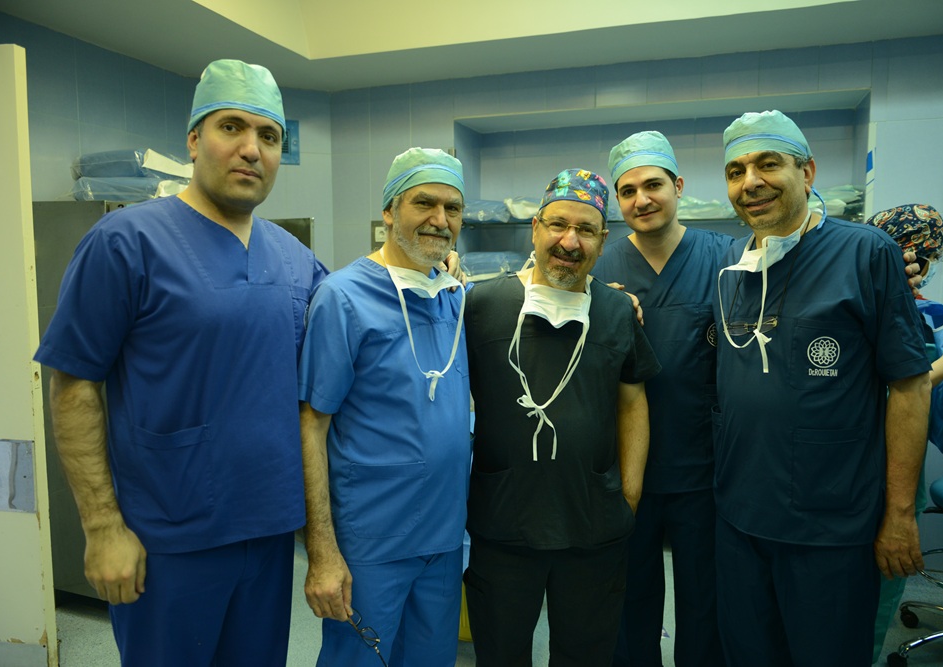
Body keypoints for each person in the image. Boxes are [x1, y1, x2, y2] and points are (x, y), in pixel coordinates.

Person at [34, 59, 327, 666]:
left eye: (269, 136)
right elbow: (73, 384)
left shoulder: (296, 258)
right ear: (194, 140)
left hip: (269, 532)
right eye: (231, 127)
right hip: (166, 537)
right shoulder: (125, 242)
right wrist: (102, 527)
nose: (251, 149)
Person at [712, 110, 932, 667]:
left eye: (768, 164)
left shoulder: (866, 253)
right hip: (740, 516)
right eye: (736, 171)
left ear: (807, 172)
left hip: (830, 523)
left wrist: (899, 514)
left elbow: (910, 386)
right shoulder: (732, 266)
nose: (750, 182)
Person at [463, 168, 660, 666]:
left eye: (585, 230)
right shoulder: (483, 305)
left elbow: (633, 401)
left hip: (593, 524)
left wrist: (629, 494)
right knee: (501, 655)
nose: (569, 242)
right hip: (503, 523)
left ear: (602, 240)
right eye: (557, 225)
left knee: (586, 655)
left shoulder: (616, 311)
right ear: (535, 228)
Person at [298, 147, 471, 667]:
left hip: (444, 540)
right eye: (424, 203)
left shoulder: (453, 296)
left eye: (452, 208)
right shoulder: (343, 298)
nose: (440, 219)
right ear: (389, 212)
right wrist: (322, 551)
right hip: (371, 542)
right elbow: (311, 427)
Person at [592, 131, 729, 667]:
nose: (641, 199)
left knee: (706, 598)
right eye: (627, 191)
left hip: (704, 466)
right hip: (628, 468)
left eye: (653, 185)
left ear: (678, 186)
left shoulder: (726, 256)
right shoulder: (598, 269)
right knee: (629, 597)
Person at [866, 203, 943, 662]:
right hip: (878, 468)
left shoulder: (914, 312)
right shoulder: (885, 311)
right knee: (875, 590)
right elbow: (883, 398)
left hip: (867, 469)